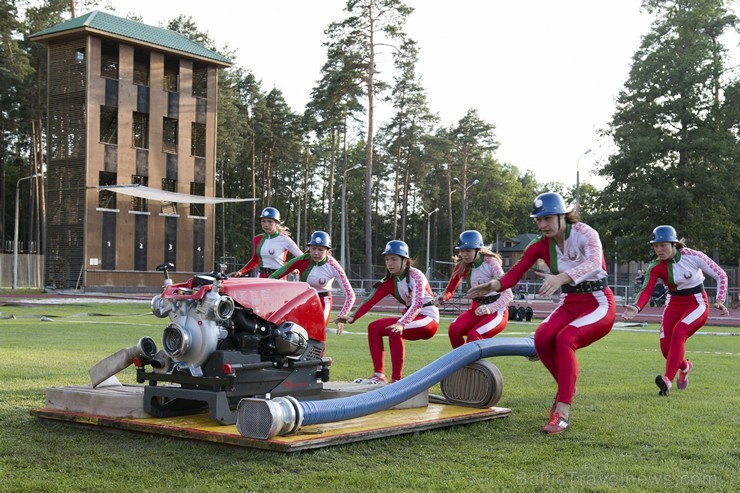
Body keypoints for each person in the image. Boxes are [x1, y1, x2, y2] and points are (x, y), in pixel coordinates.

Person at [467, 192, 615, 434]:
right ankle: (566, 387)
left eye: (547, 218)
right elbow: (514, 274)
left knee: (565, 338)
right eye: (538, 220)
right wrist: (491, 285)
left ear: (562, 215)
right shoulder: (539, 245)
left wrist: (562, 277)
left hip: (598, 303)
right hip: (570, 303)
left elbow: (595, 263)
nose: (543, 224)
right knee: (543, 337)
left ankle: (562, 410)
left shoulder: (585, 232)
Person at [622, 225, 729, 396]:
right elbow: (646, 289)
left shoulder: (694, 256)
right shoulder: (655, 266)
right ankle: (685, 367)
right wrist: (636, 307)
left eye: (663, 245)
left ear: (674, 244)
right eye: (655, 246)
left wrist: (720, 300)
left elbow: (721, 275)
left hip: (697, 303)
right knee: (666, 348)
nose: (658, 249)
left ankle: (667, 380)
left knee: (679, 332)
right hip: (673, 303)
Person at [333, 240, 439, 384]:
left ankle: (396, 380)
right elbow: (370, 300)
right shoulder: (389, 280)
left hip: (428, 319)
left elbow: (417, 304)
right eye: (387, 259)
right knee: (373, 327)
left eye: (394, 259)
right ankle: (379, 375)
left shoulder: (416, 275)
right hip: (411, 318)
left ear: (405, 260)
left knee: (394, 329)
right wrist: (352, 317)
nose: (389, 263)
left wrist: (402, 323)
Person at [436, 230, 513, 348]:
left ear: (478, 250)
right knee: (454, 330)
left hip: (497, 311)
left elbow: (508, 295)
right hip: (476, 310)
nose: (464, 254)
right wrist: (443, 297)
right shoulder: (461, 266)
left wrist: (489, 308)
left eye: (468, 250)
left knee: (474, 336)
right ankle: (462, 364)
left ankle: (473, 366)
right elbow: (449, 290)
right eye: (462, 250)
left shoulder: (491, 263)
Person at [269, 231, 355, 332]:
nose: (316, 253)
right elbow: (274, 276)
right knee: (293, 331)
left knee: (317, 331)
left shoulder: (334, 266)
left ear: (328, 250)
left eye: (320, 250)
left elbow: (350, 295)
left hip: (324, 301)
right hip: (305, 299)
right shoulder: (301, 260)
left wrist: (342, 315)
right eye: (313, 248)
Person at [231, 207, 303, 278]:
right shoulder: (257, 239)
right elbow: (255, 259)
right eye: (263, 221)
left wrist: (294, 267)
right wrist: (241, 272)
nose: (266, 224)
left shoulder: (285, 239)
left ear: (276, 223)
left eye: (270, 221)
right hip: (261, 278)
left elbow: (302, 257)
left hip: (278, 278)